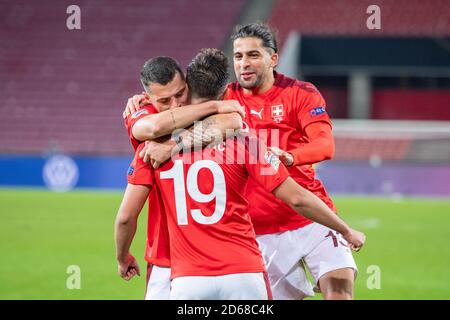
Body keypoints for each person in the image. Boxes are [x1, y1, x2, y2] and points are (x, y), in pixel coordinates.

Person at [125, 23, 362, 300]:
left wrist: (292, 156)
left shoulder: (301, 93)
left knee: (339, 288)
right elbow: (206, 114)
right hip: (259, 231)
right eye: (238, 56)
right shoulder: (226, 97)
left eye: (253, 55)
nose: (244, 63)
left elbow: (325, 145)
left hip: (309, 215)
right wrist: (147, 106)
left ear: (273, 58)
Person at [116, 56, 244, 299]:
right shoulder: (146, 116)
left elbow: (125, 218)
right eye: (164, 101)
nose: (175, 104)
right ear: (147, 99)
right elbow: (150, 128)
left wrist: (123, 257)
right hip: (193, 257)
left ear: (188, 83)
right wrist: (214, 107)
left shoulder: (158, 136)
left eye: (180, 93)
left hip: (187, 257)